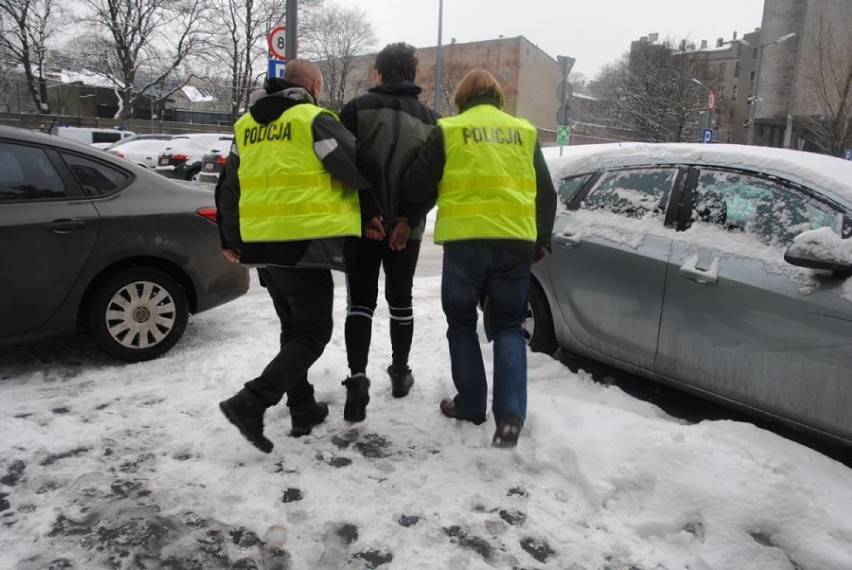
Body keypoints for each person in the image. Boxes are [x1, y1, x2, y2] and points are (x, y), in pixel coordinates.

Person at [216, 59, 371, 453]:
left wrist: (231, 239)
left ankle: (303, 408)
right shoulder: (312, 119)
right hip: (302, 243)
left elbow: (228, 186)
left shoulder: (246, 127)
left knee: (293, 329)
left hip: (262, 246)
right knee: (314, 333)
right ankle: (251, 401)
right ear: (314, 85)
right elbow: (358, 168)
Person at [397, 69, 557, 448]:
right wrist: (541, 240)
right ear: (498, 97)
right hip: (514, 242)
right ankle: (511, 414)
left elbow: (416, 183)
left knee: (462, 323)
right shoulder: (525, 132)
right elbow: (546, 193)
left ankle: (470, 405)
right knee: (508, 327)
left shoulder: (450, 130)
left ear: (462, 98)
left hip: (465, 245)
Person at [337, 42, 439, 422]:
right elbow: (432, 179)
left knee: (360, 303)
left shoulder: (356, 110)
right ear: (412, 73)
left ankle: (358, 380)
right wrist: (406, 220)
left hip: (363, 226)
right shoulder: (432, 119)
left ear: (379, 71)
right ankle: (399, 373)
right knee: (401, 299)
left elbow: (343, 166)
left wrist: (369, 213)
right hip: (405, 232)